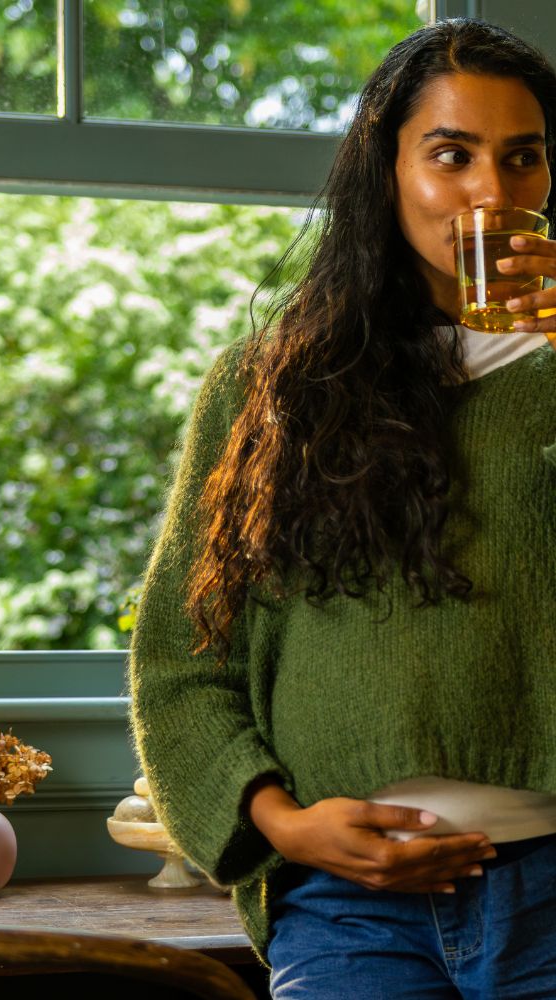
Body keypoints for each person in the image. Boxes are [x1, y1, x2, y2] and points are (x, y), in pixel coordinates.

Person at [129, 17, 556, 999]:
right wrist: (279, 823)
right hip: (346, 905)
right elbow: (184, 657)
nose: (492, 194)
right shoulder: (271, 389)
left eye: (522, 159)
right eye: (451, 155)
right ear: (385, 166)